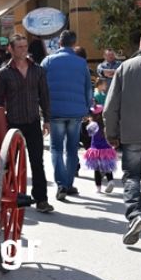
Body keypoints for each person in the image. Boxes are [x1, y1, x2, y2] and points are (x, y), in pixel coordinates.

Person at [103, 27, 141, 244]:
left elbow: (110, 107)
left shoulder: (124, 68)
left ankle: (136, 215)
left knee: (132, 176)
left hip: (132, 131)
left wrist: (112, 133)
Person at [0, 34, 54, 213]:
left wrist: (47, 120)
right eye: (19, 47)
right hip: (13, 124)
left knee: (37, 161)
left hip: (33, 121)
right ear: (10, 49)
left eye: (25, 46)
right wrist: (0, 123)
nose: (23, 50)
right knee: (11, 164)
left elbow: (45, 96)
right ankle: (11, 198)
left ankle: (41, 199)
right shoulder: (4, 73)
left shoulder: (37, 70)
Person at [41, 30, 92, 202]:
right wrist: (87, 108)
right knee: (72, 148)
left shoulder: (48, 61)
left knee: (55, 148)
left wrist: (42, 110)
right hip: (76, 112)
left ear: (59, 43)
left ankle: (61, 183)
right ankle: (69, 184)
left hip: (54, 111)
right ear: (74, 43)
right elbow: (88, 88)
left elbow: (40, 86)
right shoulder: (81, 63)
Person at [83, 104, 116, 193]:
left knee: (97, 169)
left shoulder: (93, 125)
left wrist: (88, 122)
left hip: (96, 150)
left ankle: (98, 188)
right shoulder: (106, 124)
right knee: (107, 167)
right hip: (107, 149)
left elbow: (88, 132)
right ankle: (110, 181)